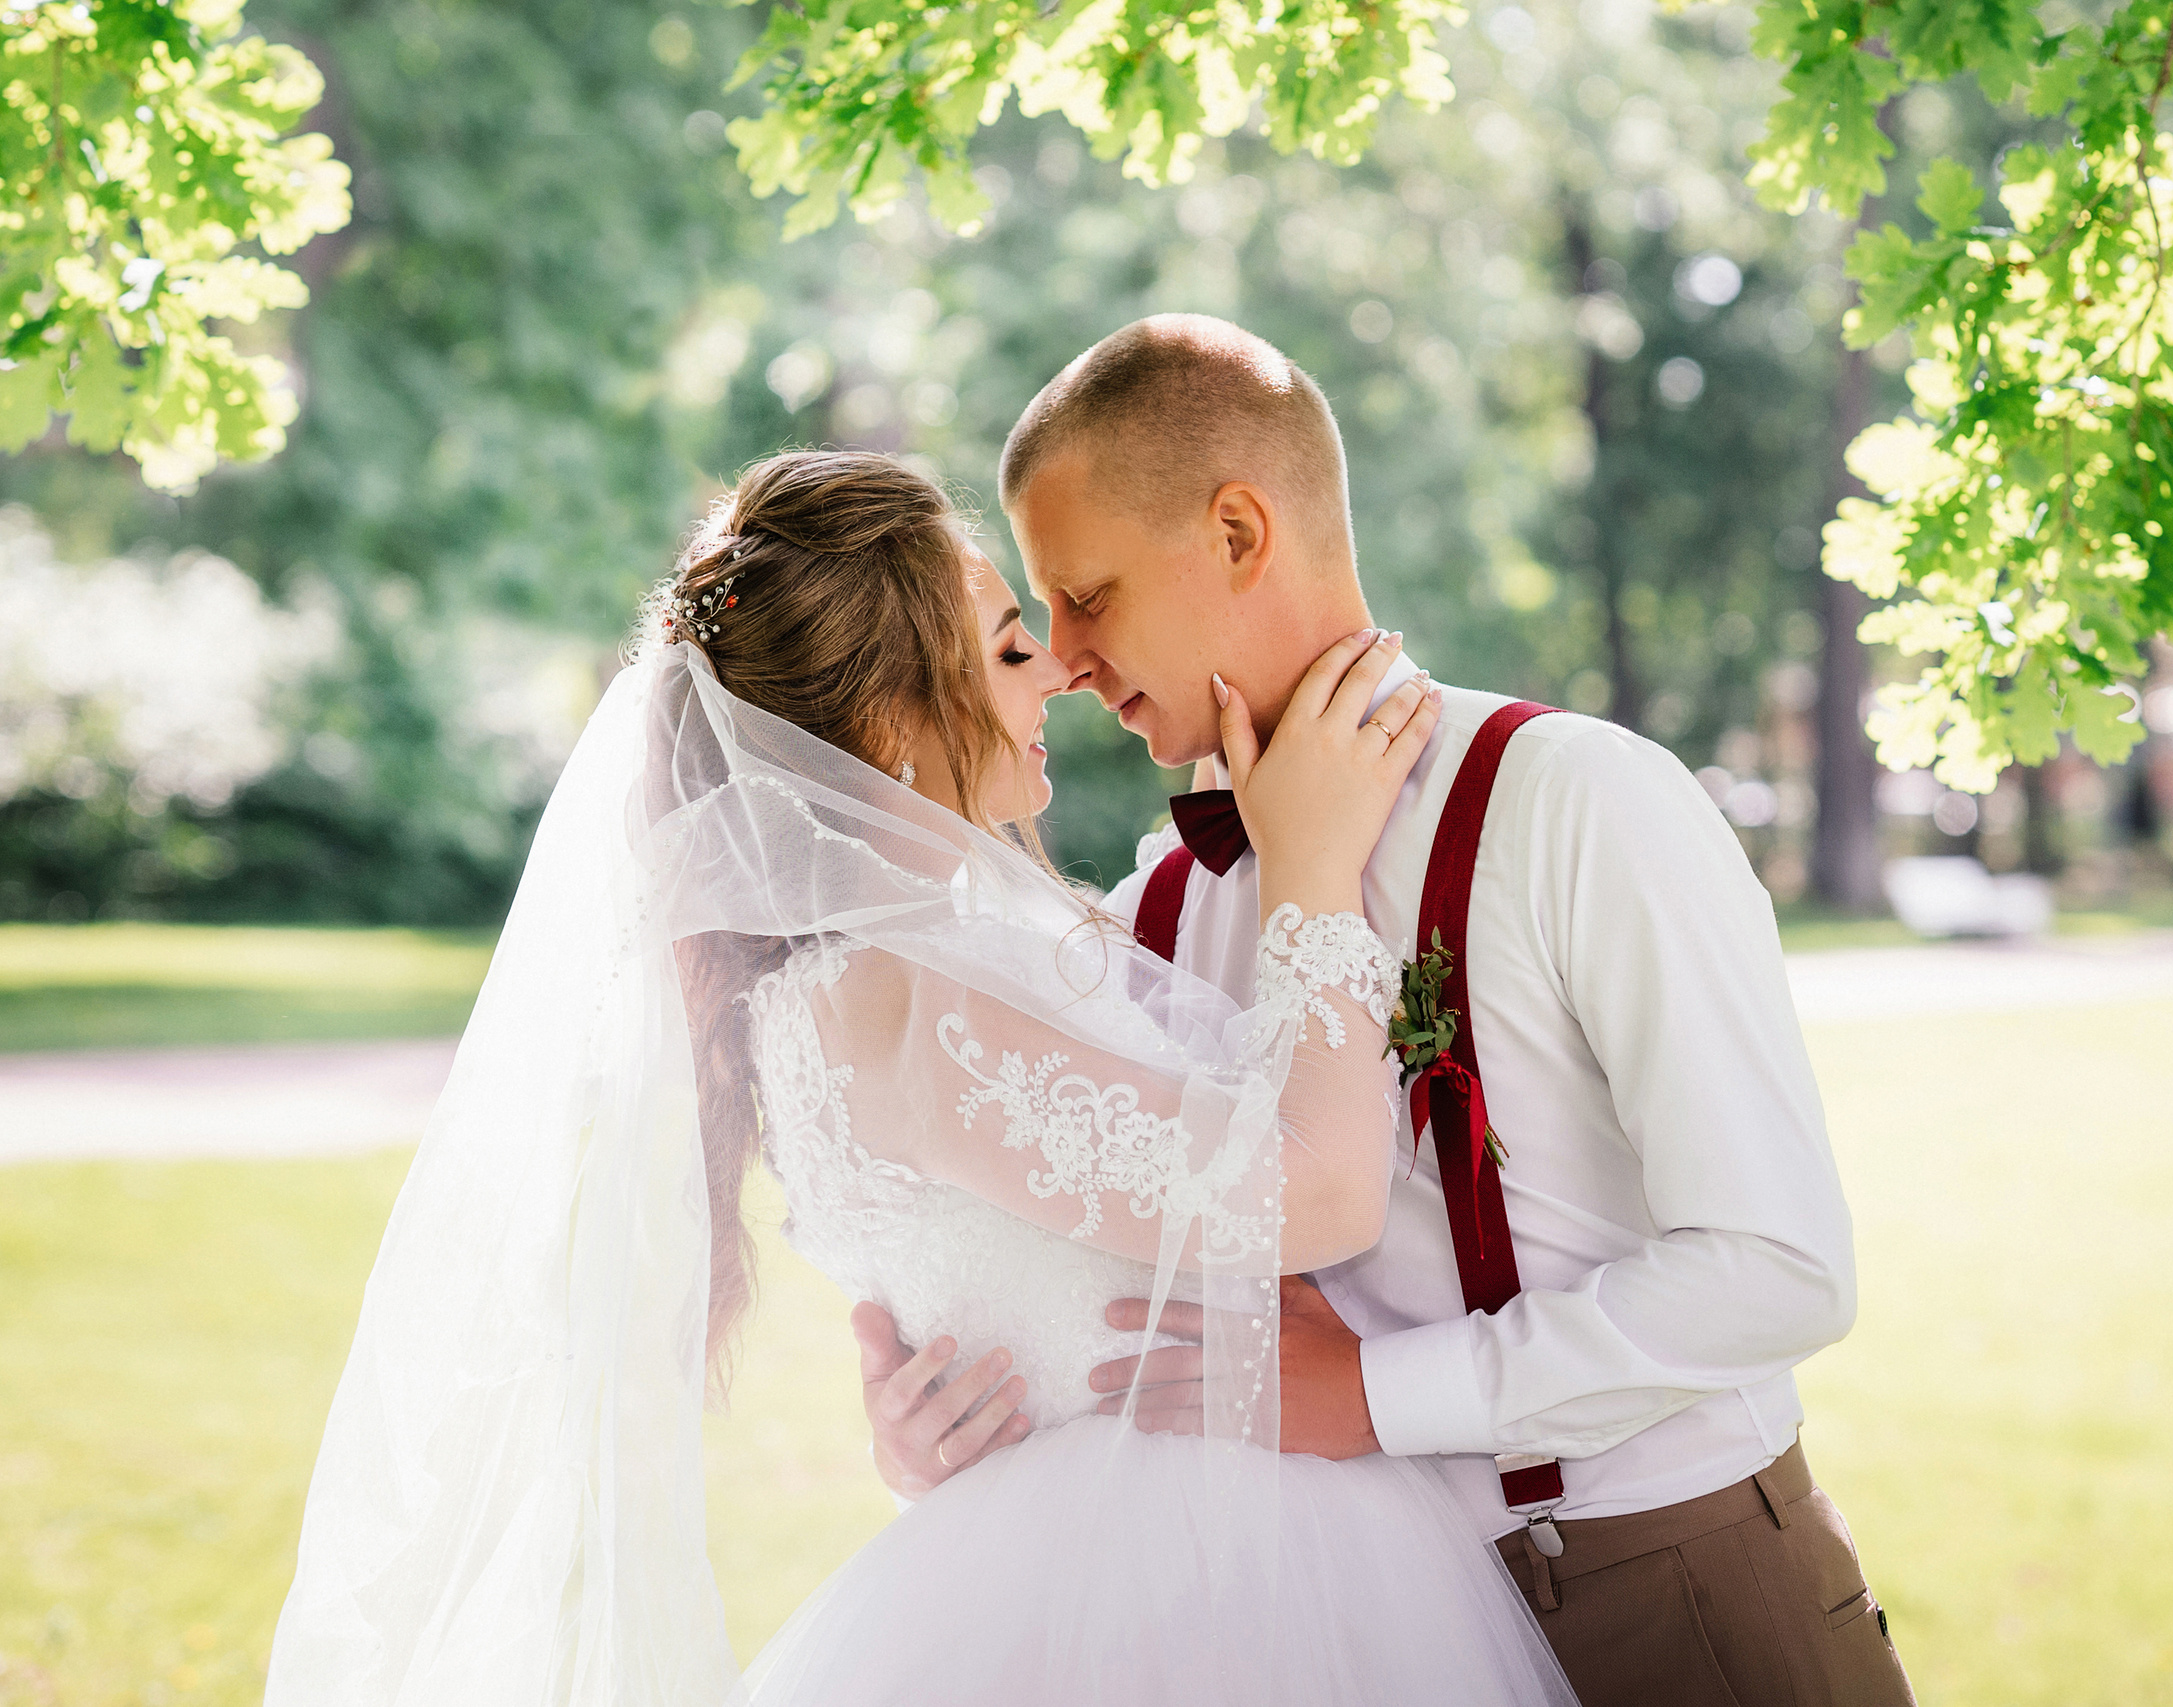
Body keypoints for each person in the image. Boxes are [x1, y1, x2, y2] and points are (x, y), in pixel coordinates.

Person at [263, 450, 1577, 1706]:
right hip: (1181, 1575)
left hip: (1110, 1534)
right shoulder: (910, 996)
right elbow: (1321, 1198)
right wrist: (1316, 867)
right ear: (892, 724)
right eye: (1007, 649)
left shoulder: (897, 969)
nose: (1057, 669)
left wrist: (920, 1432)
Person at [854, 317, 1918, 1707]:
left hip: (1668, 1588)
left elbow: (1779, 1268)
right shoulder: (1156, 910)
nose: (1064, 658)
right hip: (1344, 1636)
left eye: (1090, 596)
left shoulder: (1579, 803)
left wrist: (1372, 1398)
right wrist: (934, 1421)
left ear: (1239, 531)